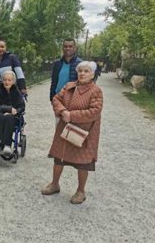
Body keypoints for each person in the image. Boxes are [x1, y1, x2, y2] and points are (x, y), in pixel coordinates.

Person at [41, 61, 103, 204]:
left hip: (85, 131)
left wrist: (72, 116)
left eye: (86, 71)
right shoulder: (69, 86)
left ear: (92, 74)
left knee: (83, 162)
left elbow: (94, 111)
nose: (82, 73)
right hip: (65, 128)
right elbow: (56, 99)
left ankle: (81, 191)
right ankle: (54, 184)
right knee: (59, 157)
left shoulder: (96, 91)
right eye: (80, 70)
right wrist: (62, 111)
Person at [0, 71, 25, 156]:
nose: (7, 82)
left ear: (13, 81)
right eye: (5, 80)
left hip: (13, 117)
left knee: (9, 118)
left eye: (9, 80)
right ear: (2, 81)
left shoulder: (17, 92)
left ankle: (7, 145)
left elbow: (21, 106)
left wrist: (15, 111)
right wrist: (8, 109)